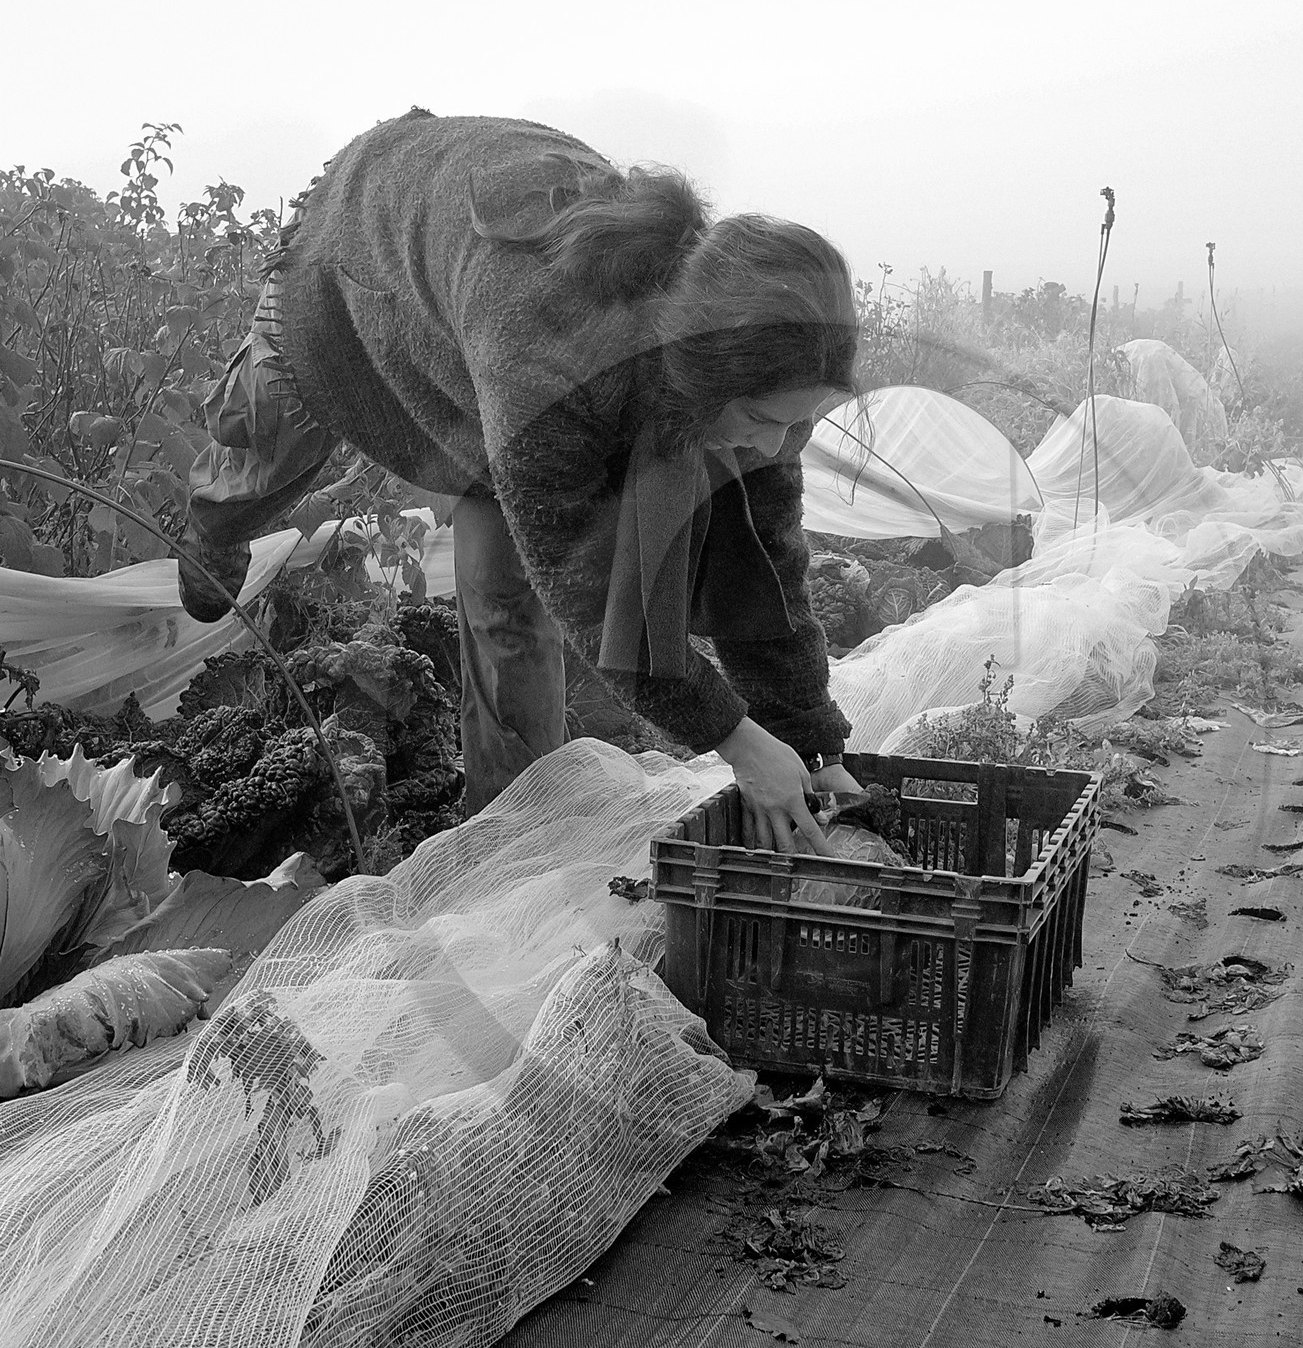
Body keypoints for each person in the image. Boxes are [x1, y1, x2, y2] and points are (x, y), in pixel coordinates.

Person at [177, 107, 862, 853]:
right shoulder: (546, 352)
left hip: (492, 353)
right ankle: (212, 527)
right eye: (765, 419)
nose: (779, 443)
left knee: (507, 589)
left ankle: (514, 839)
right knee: (267, 446)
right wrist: (737, 741)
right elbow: (595, 597)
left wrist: (807, 741)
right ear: (703, 374)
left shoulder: (747, 359)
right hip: (353, 255)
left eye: (799, 424)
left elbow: (765, 566)